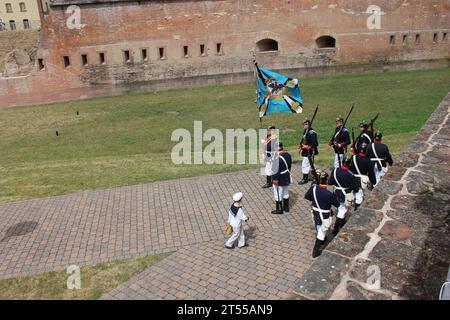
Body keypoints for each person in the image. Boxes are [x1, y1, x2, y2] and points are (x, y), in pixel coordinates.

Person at [305, 170, 340, 258]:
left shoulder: (313, 188)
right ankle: (315, 251)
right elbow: (337, 204)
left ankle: (322, 240)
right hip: (324, 214)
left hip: (315, 212)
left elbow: (307, 196)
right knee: (322, 232)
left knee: (318, 226)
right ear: (327, 181)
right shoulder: (329, 194)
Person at [328, 156, 359, 236]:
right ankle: (335, 229)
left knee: (340, 208)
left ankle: (342, 222)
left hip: (336, 192)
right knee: (342, 210)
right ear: (349, 164)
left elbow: (330, 182)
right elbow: (355, 188)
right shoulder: (350, 174)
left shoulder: (335, 171)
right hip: (345, 194)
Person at [349, 142, 376, 210]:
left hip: (352, 178)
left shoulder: (353, 158)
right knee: (359, 196)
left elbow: (349, 168)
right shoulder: (368, 161)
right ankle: (356, 210)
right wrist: (374, 182)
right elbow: (371, 173)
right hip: (361, 180)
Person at [271, 142, 292, 214]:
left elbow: (275, 171)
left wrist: (275, 180)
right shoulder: (288, 155)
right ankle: (286, 208)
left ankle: (279, 209)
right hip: (286, 176)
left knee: (278, 194)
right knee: (285, 192)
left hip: (279, 178)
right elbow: (289, 166)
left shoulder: (276, 159)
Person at [298, 118, 319, 185]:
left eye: (305, 124)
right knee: (308, 165)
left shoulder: (312, 133)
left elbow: (315, 143)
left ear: (308, 124)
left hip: (309, 151)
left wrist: (307, 147)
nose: (303, 126)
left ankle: (305, 178)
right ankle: (311, 176)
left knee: (305, 165)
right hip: (305, 151)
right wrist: (300, 146)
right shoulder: (305, 131)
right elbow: (303, 139)